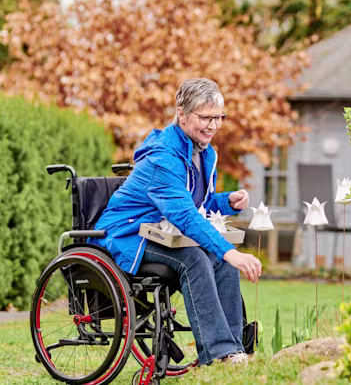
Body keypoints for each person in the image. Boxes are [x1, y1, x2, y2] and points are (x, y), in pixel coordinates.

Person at [91, 78, 262, 365]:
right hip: (130, 233)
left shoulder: (206, 153)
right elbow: (183, 214)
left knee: (220, 260)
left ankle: (234, 350)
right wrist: (231, 251)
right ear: (181, 114)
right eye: (205, 117)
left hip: (164, 232)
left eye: (219, 117)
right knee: (196, 258)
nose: (213, 125)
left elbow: (197, 203)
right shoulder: (163, 157)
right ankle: (219, 355)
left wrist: (225, 201)